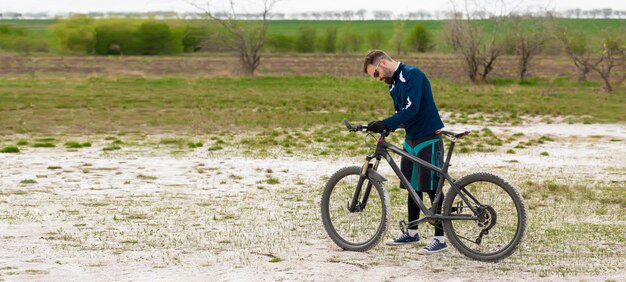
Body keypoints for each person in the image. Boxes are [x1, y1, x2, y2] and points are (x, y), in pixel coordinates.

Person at [363, 50, 447, 255]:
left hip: (428, 137)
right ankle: (411, 233)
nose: (378, 79)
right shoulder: (392, 84)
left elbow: (412, 109)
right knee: (411, 186)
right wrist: (386, 127)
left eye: (375, 74)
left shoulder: (412, 74)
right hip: (411, 139)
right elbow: (402, 114)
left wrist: (386, 122)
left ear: (382, 62)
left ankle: (440, 238)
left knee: (431, 188)